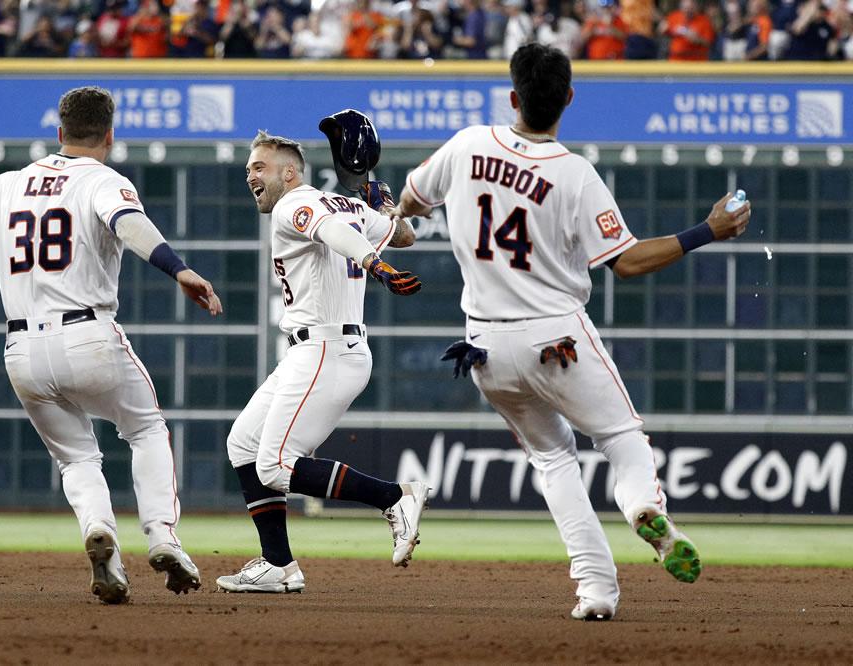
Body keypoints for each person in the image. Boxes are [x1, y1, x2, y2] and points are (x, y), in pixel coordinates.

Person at [395, 44, 751, 621]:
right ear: (568, 99)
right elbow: (626, 262)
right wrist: (705, 230)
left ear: (513, 98)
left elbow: (412, 200)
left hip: (484, 347)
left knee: (553, 460)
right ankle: (643, 508)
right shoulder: (574, 173)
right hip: (556, 337)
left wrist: (402, 209)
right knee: (621, 438)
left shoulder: (467, 145)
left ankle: (596, 591)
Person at [0, 86, 220, 605]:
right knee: (146, 429)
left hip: (22, 352)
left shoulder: (8, 184)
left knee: (77, 458)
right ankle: (162, 538)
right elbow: (128, 224)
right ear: (110, 135)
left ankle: (99, 532)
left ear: (59, 132)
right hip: (89, 336)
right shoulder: (103, 180)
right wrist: (179, 269)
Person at [216, 127, 429, 594]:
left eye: (260, 167)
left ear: (289, 173)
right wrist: (381, 204)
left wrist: (375, 264)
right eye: (249, 168)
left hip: (326, 349)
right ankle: (278, 565)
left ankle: (394, 496)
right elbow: (406, 235)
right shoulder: (351, 207)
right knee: (243, 444)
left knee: (275, 465)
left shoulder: (294, 203)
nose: (250, 175)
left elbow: (330, 231)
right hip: (318, 350)